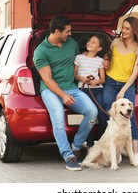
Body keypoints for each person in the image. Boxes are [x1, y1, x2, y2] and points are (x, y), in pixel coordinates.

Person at [33, 16, 98, 171]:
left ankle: (76, 145)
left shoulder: (72, 44)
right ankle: (68, 155)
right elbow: (47, 79)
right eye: (67, 31)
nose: (70, 33)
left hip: (71, 88)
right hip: (50, 90)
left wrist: (102, 62)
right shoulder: (41, 51)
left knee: (92, 111)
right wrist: (63, 95)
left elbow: (79, 62)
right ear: (57, 31)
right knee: (58, 117)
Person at [102, 16, 138, 163]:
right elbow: (107, 59)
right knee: (108, 107)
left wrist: (123, 91)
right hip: (110, 81)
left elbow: (135, 73)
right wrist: (105, 64)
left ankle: (135, 152)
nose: (124, 31)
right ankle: (115, 147)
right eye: (123, 27)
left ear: (135, 30)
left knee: (129, 115)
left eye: (127, 28)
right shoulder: (115, 42)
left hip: (126, 84)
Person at [74, 34, 111, 147]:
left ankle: (103, 140)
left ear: (99, 48)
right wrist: (82, 78)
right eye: (89, 41)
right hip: (84, 90)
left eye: (94, 42)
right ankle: (90, 143)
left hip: (97, 90)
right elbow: (75, 75)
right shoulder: (79, 58)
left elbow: (103, 79)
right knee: (90, 116)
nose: (90, 43)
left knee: (102, 115)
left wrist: (96, 82)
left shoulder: (99, 61)